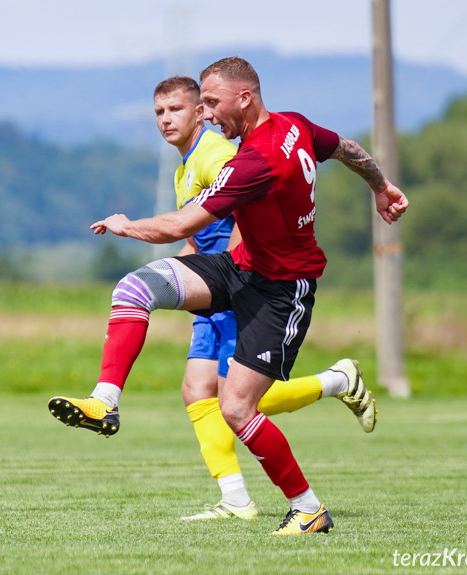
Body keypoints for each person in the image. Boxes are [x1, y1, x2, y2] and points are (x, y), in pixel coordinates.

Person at [50, 57, 408, 535]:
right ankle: (105, 401)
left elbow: (180, 225)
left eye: (212, 103)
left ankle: (308, 508)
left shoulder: (254, 162)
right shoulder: (294, 126)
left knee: (237, 409)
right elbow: (343, 147)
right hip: (240, 268)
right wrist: (380, 185)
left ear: (245, 97)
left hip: (282, 290)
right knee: (135, 288)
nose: (207, 114)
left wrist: (125, 225)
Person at [149, 76, 376, 522]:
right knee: (198, 390)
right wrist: (179, 277)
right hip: (212, 287)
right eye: (158, 112)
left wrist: (234, 271)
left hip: (243, 283)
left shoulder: (221, 152)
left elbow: (239, 207)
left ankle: (336, 381)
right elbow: (195, 236)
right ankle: (235, 499)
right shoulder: (187, 166)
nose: (165, 120)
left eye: (177, 109)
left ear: (200, 112)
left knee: (239, 401)